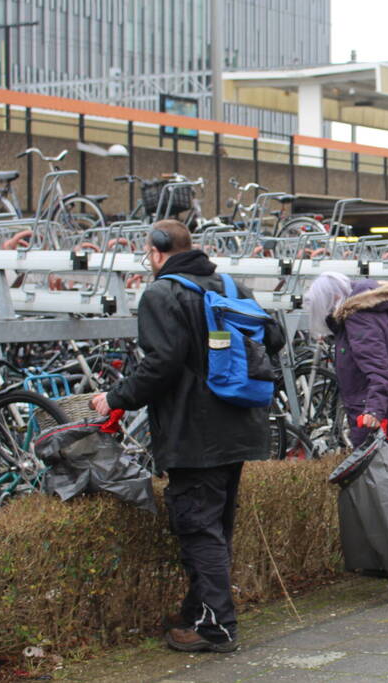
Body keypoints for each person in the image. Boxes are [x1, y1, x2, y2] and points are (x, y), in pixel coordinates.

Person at [90, 220, 285, 653]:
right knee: (215, 526)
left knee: (198, 527)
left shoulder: (163, 293)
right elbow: (275, 335)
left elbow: (161, 363)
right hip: (240, 422)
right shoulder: (229, 284)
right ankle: (197, 613)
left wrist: (116, 398)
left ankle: (216, 627)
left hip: (195, 433)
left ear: (158, 252)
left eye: (147, 255)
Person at [304, 273, 388, 590]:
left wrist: (372, 414)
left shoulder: (359, 321)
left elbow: (379, 374)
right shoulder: (367, 313)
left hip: (385, 413)